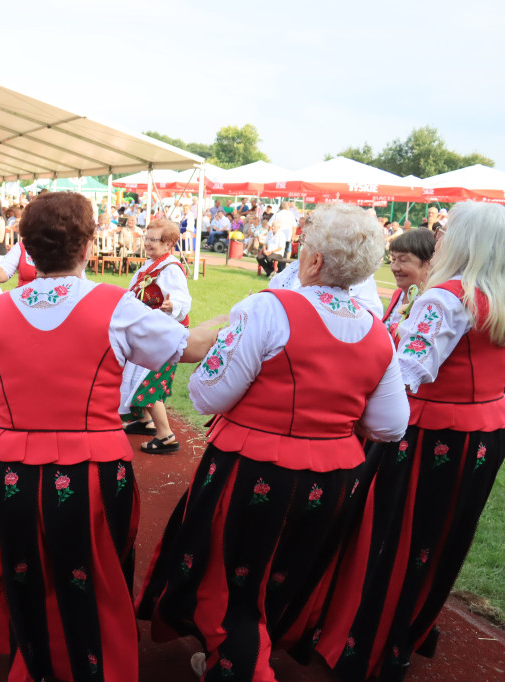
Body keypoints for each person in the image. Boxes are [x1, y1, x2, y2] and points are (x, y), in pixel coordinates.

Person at [0, 192, 222, 682]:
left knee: (25, 572)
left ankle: (38, 663)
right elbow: (190, 347)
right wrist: (242, 317)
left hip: (12, 468)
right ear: (89, 244)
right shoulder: (114, 306)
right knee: (94, 577)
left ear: (26, 246)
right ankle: (92, 665)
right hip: (92, 468)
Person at [136, 203, 409, 682]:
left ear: (316, 261)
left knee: (230, 578)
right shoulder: (377, 331)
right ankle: (251, 649)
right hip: (333, 475)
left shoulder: (269, 308)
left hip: (253, 467)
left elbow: (207, 395)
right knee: (286, 570)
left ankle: (240, 663)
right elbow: (390, 425)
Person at [310, 202, 505, 682]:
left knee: (391, 536)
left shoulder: (446, 297)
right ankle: (406, 632)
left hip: (429, 433)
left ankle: (366, 640)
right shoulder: (494, 295)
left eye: (447, 231)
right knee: (440, 538)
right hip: (484, 435)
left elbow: (408, 373)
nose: (439, 239)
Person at [119, 218, 191, 454]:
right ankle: (145, 422)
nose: (147, 243)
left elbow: (182, 299)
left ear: (169, 242)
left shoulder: (170, 268)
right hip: (147, 334)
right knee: (136, 376)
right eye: (146, 238)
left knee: (148, 384)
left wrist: (172, 306)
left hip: (162, 337)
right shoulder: (151, 265)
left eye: (153, 239)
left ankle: (166, 436)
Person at [269, 225, 384, 317]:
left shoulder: (359, 278)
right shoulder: (293, 269)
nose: (302, 247)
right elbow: (272, 296)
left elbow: (374, 315)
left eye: (307, 243)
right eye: (304, 240)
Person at [382, 228, 436, 339]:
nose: (394, 267)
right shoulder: (398, 294)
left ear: (428, 263)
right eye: (393, 259)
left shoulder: (431, 304)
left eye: (403, 260)